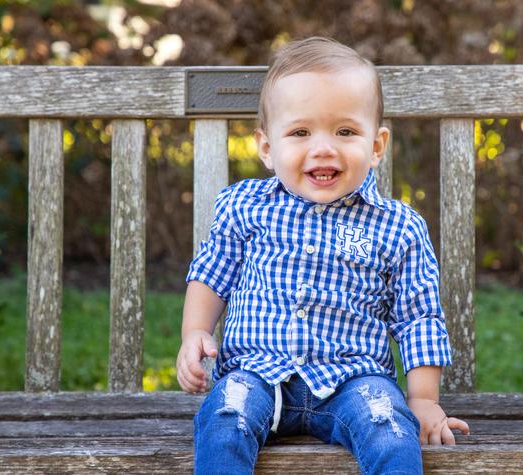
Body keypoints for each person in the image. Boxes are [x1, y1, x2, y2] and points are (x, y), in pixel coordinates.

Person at [176, 36, 470, 474]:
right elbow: (212, 273)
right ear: (267, 148)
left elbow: (418, 318)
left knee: (391, 428)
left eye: (345, 131)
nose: (323, 148)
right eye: (300, 132)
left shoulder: (397, 227)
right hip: (256, 372)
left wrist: (423, 401)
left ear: (376, 146)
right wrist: (195, 334)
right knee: (224, 419)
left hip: (355, 380)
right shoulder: (244, 206)